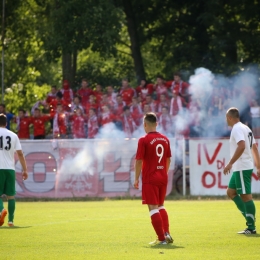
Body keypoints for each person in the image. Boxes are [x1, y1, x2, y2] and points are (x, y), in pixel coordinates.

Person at [134, 112, 173, 245]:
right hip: (163, 177)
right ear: (156, 124)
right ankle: (166, 233)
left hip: (150, 178)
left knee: (153, 208)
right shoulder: (165, 139)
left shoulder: (143, 140)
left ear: (145, 124)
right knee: (161, 205)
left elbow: (139, 161)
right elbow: (168, 159)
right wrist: (164, 173)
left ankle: (161, 239)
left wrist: (136, 179)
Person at [223, 107, 260, 234]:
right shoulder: (246, 128)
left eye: (226, 118)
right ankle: (249, 218)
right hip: (241, 167)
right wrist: (258, 166)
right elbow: (254, 148)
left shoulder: (237, 128)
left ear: (229, 117)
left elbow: (242, 145)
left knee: (246, 196)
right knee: (231, 192)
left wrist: (230, 163)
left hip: (242, 167)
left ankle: (251, 227)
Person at [0, 114, 28, 227]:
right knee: (11, 196)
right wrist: (25, 170)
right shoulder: (13, 135)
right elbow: (20, 154)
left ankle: (1, 209)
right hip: (10, 169)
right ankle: (11, 221)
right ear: (6, 123)